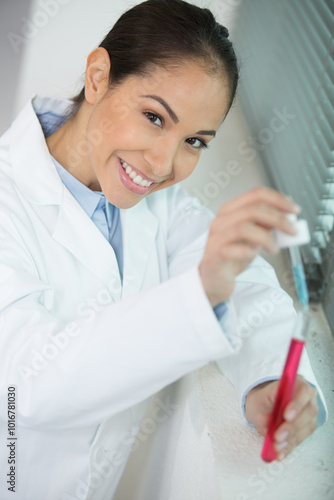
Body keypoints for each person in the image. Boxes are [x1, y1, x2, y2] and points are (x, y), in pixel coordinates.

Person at [0, 0, 327, 498]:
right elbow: (24, 386)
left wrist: (274, 379)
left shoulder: (157, 206)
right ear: (97, 76)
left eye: (195, 141)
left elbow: (243, 282)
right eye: (154, 117)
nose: (163, 163)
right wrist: (197, 296)